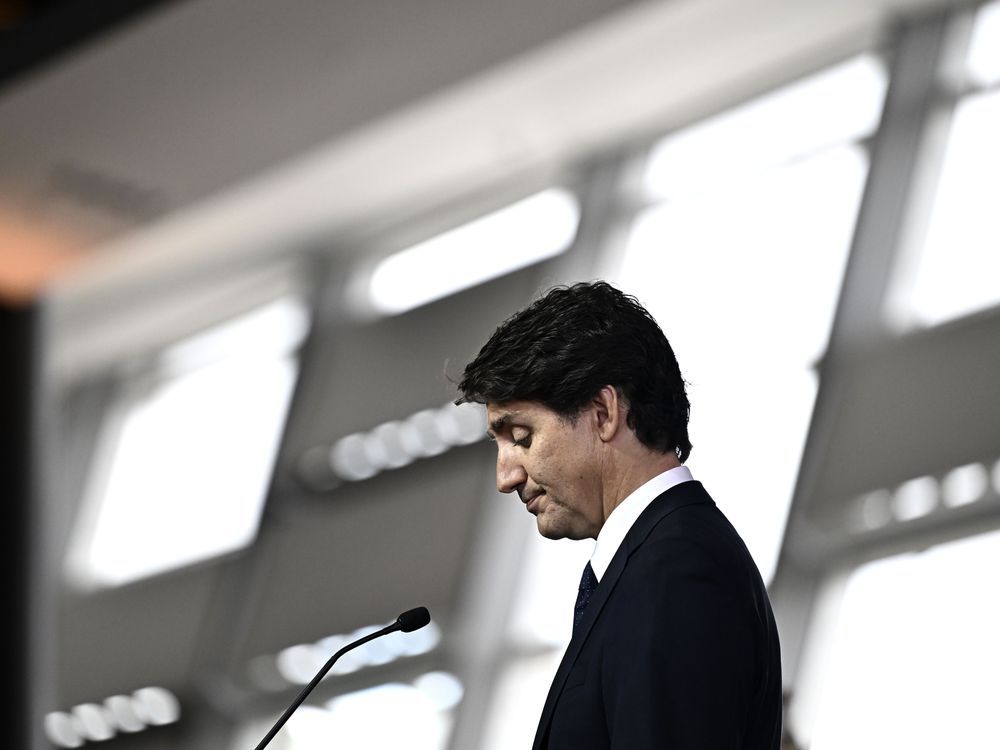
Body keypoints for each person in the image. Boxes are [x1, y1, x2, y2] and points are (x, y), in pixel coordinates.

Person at [455, 280, 782, 749]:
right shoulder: (657, 560)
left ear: (604, 412)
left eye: (522, 437)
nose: (504, 477)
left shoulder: (677, 568)